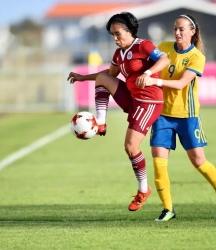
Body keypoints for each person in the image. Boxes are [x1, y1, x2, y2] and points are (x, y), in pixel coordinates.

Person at [67, 12, 170, 212]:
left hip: (149, 101)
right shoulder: (118, 54)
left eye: (117, 33)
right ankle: (101, 122)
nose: (115, 38)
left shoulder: (143, 45)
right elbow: (109, 75)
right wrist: (83, 78)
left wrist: (148, 73)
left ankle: (143, 190)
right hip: (133, 99)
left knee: (131, 147)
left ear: (129, 31)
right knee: (103, 79)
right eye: (112, 35)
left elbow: (164, 60)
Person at [138, 14, 216, 221]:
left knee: (198, 161)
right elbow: (147, 67)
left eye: (182, 29)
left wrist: (155, 83)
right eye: (175, 29)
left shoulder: (197, 57)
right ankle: (168, 209)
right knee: (159, 163)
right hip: (162, 115)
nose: (177, 33)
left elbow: (180, 84)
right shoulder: (164, 47)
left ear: (192, 31)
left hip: (187, 116)